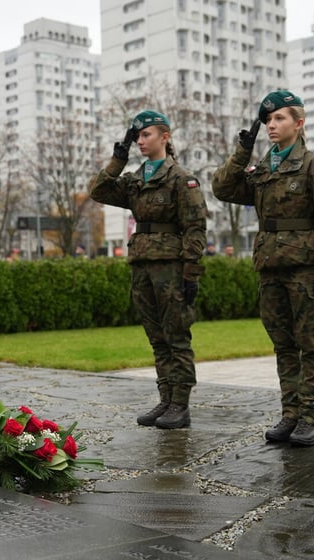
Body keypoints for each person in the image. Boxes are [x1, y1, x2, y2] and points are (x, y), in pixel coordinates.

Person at [213, 91, 314, 446]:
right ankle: (290, 414)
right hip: (270, 267)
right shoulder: (260, 169)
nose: (272, 126)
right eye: (268, 120)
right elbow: (222, 188)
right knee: (283, 345)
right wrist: (242, 151)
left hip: (304, 269)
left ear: (299, 123)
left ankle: (310, 417)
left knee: (312, 345)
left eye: (279, 119)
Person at [89, 110, 207, 429]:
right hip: (141, 267)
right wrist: (118, 158)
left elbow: (195, 228)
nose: (141, 141)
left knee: (176, 336)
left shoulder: (181, 178)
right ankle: (166, 399)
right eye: (137, 137)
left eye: (146, 135)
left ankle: (180, 404)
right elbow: (98, 190)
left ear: (164, 137)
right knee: (157, 337)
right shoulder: (134, 180)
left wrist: (191, 273)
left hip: (170, 269)